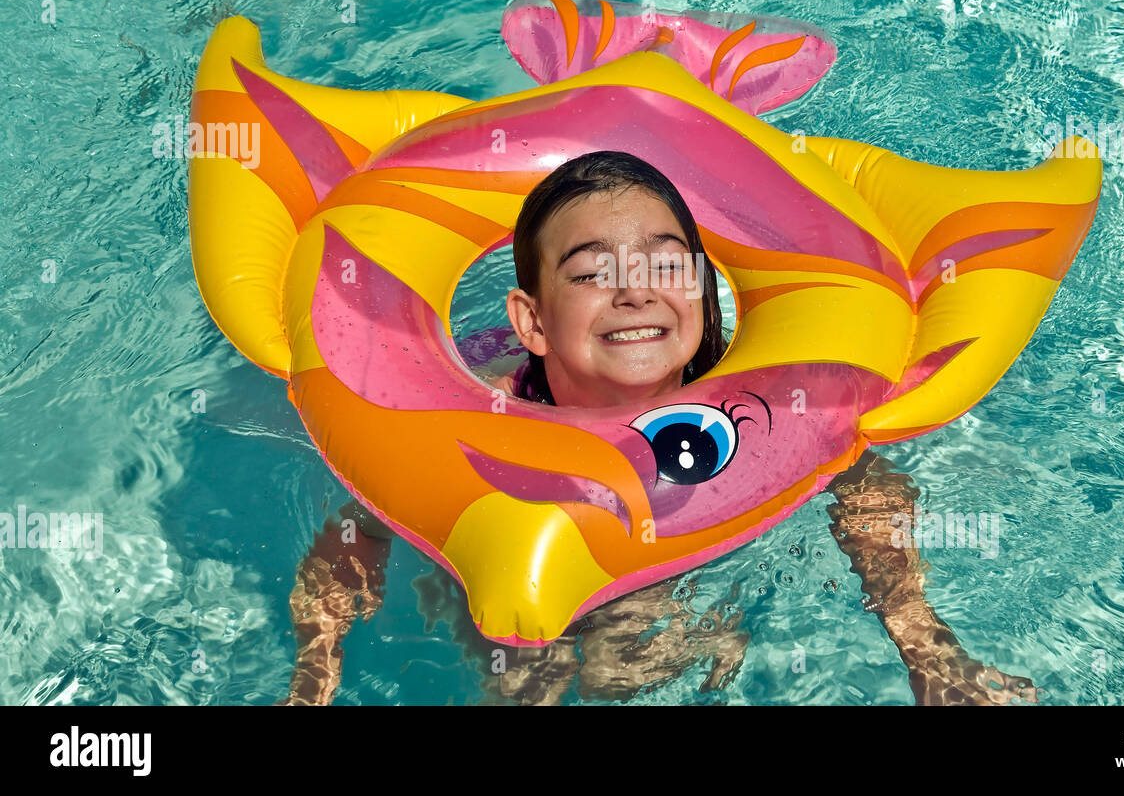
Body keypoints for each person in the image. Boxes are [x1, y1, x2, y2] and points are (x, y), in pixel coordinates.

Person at [277, 151, 1039, 706]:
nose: (636, 292)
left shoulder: (765, 401)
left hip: (691, 602)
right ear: (532, 321)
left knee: (650, 649)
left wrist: (926, 647)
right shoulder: (474, 415)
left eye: (667, 265)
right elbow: (366, 517)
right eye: (589, 273)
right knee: (526, 671)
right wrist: (317, 666)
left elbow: (860, 482)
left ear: (704, 294)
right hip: (523, 599)